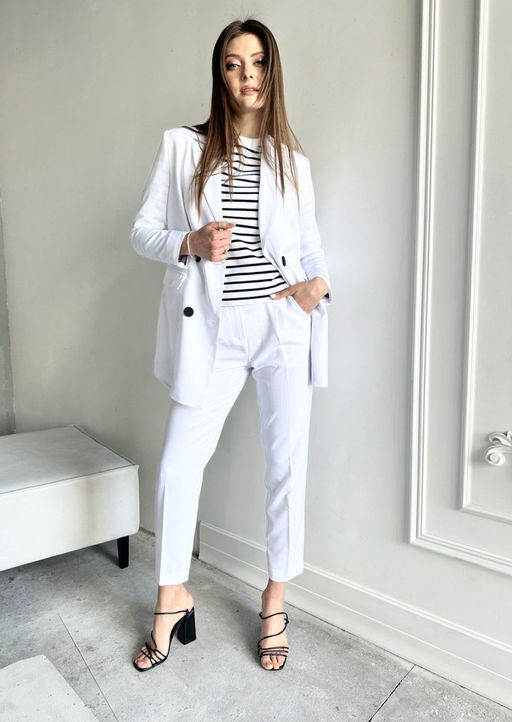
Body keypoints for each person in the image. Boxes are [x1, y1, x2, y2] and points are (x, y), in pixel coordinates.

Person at [130, 17, 332, 672]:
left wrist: (318, 287)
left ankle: (275, 601)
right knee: (177, 464)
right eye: (233, 64)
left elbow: (308, 246)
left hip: (281, 324)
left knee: (285, 466)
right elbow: (141, 231)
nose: (248, 75)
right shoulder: (183, 147)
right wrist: (187, 242)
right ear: (219, 75)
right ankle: (171, 597)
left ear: (273, 72)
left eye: (258, 62)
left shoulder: (293, 163)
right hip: (212, 329)